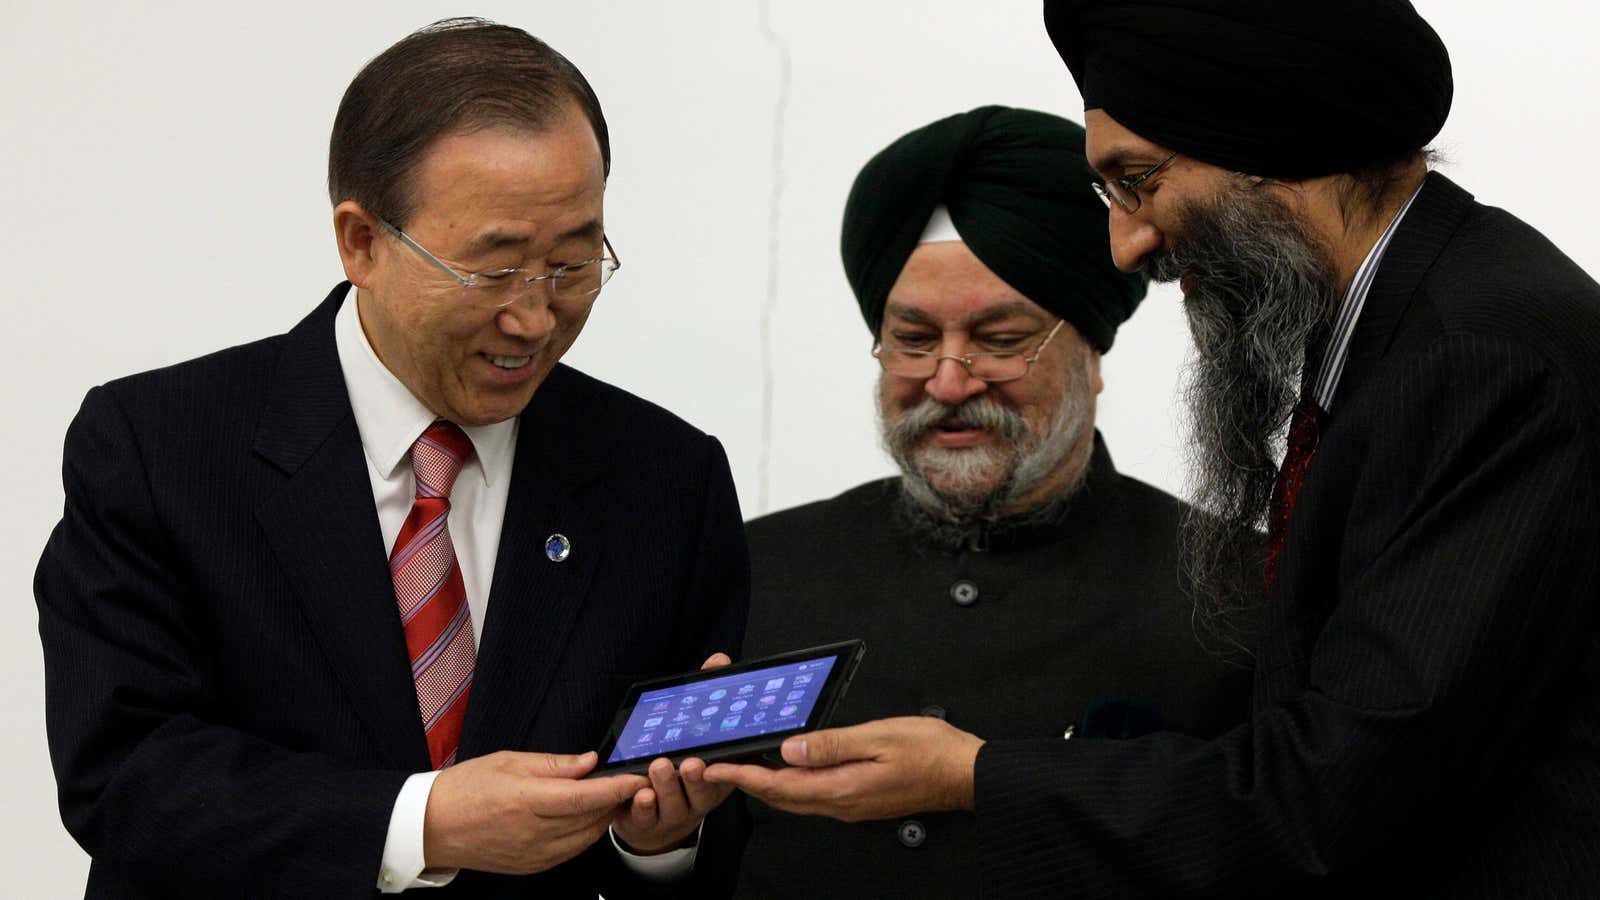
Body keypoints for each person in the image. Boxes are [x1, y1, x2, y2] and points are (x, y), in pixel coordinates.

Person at [706, 3, 1600, 896]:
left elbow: (1341, 792)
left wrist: (975, 776)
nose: (1128, 245)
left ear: (1269, 140)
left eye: (1137, 180)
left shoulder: (1481, 356)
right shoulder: (1417, 332)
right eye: (911, 338)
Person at [35, 19, 747, 898]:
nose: (535, 318)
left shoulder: (666, 478)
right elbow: (126, 777)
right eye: (493, 272)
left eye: (571, 263)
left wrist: (661, 841)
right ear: (361, 241)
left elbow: (717, 841)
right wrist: (422, 820)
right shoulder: (158, 446)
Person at [733, 106, 1253, 898]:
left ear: (1092, 353)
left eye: (1001, 341)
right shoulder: (751, 570)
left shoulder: (1236, 589)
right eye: (912, 340)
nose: (948, 381)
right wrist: (652, 843)